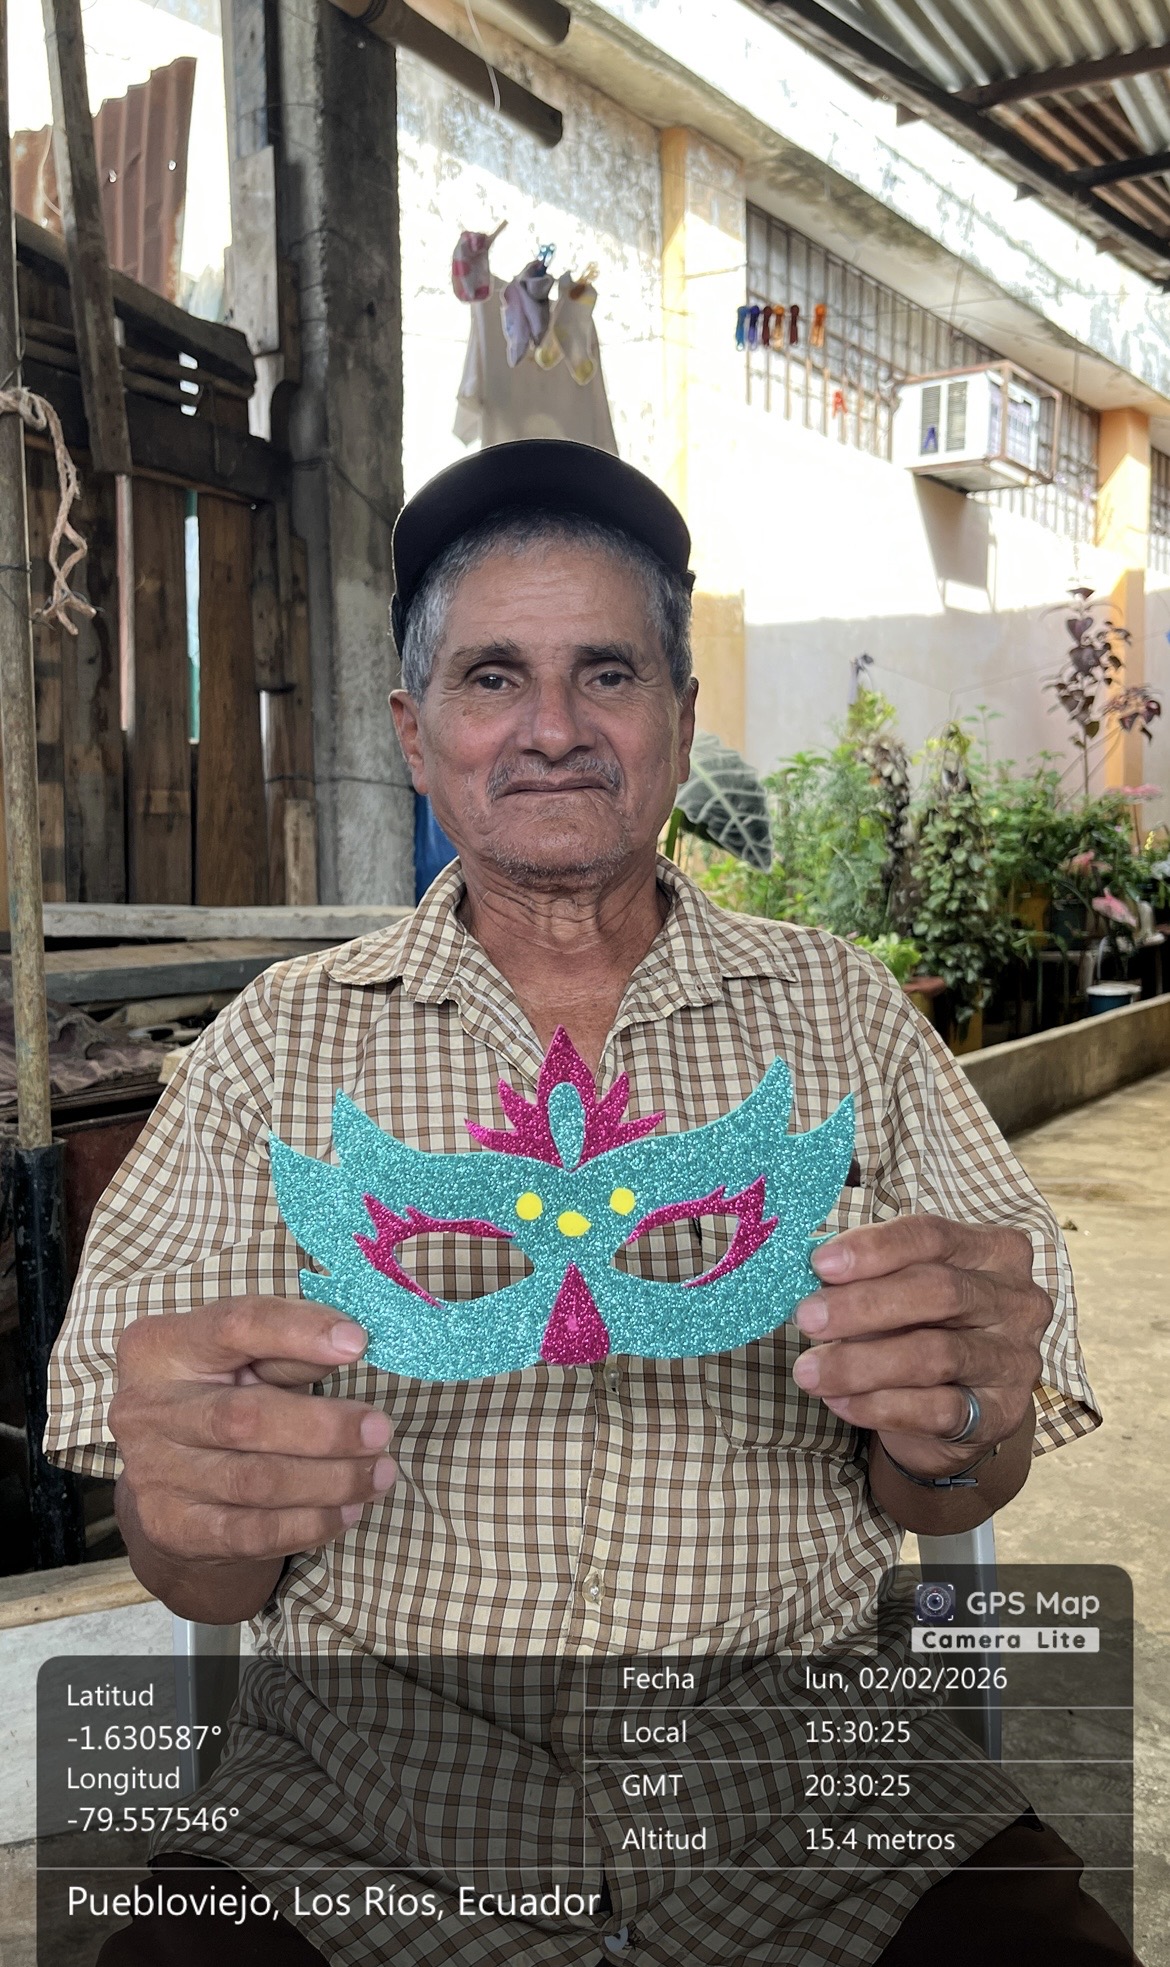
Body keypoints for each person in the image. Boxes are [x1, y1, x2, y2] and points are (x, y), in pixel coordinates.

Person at [46, 441, 1135, 1966]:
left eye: (605, 673)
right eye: (492, 676)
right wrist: (194, 1508)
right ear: (415, 731)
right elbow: (196, 1563)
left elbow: (959, 1481)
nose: (551, 727)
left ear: (678, 720)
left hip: (814, 1785)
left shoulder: (847, 1018)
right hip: (361, 1800)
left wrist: (957, 1420)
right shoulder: (273, 1047)